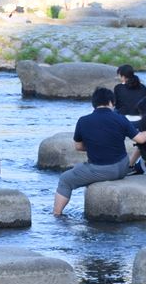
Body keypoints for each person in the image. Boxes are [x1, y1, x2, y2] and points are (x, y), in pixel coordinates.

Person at [52, 87, 137, 217]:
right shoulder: (120, 118)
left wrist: (95, 146)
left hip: (102, 171)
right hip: (123, 167)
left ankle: (57, 215)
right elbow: (140, 138)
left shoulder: (83, 121)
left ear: (94, 103)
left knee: (65, 180)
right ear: (110, 102)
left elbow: (78, 147)